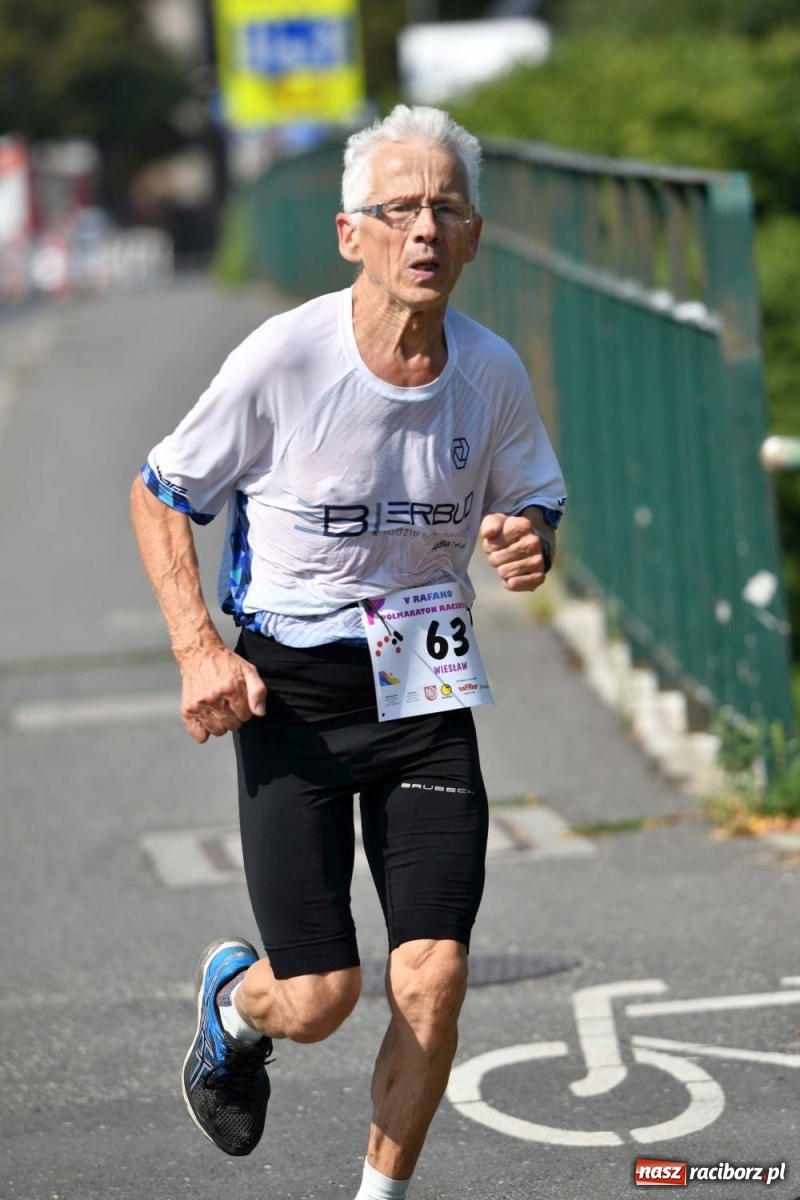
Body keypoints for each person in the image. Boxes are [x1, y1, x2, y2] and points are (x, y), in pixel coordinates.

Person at [130, 103, 566, 1199]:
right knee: (321, 998)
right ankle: (235, 1005)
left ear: (473, 238)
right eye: (399, 208)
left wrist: (528, 537)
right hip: (295, 698)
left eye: (447, 210)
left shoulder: (490, 371)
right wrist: (197, 649)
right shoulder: (287, 358)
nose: (425, 229)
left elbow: (533, 498)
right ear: (349, 233)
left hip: (424, 686)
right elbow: (159, 492)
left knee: (433, 976)